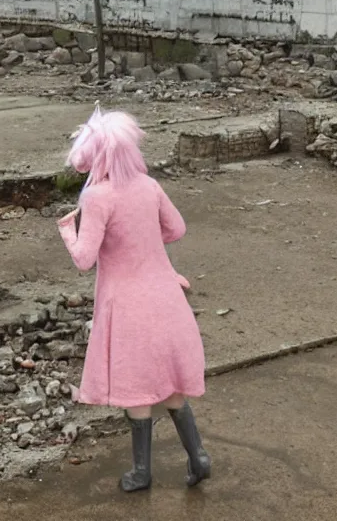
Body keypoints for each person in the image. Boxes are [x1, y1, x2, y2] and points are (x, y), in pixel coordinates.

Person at [57, 106, 210, 492]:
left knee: (137, 388)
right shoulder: (149, 185)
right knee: (173, 386)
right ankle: (198, 456)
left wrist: (66, 230)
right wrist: (145, 239)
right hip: (166, 296)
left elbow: (84, 259)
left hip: (126, 304)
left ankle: (142, 472)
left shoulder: (97, 196)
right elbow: (176, 229)